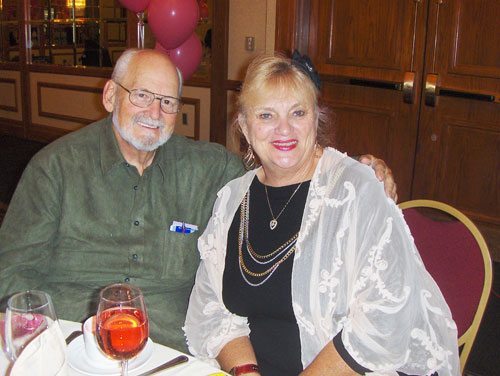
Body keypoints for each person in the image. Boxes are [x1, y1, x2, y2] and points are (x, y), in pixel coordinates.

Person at [0, 48, 395, 352]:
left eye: (168, 102)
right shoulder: (55, 167)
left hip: (171, 352)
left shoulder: (210, 170)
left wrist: (358, 170)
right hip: (73, 344)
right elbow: (13, 277)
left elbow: (282, 165)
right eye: (141, 95)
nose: (154, 112)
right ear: (109, 96)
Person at [183, 52, 460, 376]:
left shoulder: (357, 191)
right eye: (266, 115)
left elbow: (384, 323)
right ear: (244, 125)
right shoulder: (234, 199)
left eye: (298, 112)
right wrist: (246, 372)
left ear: (316, 118)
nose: (283, 129)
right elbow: (212, 311)